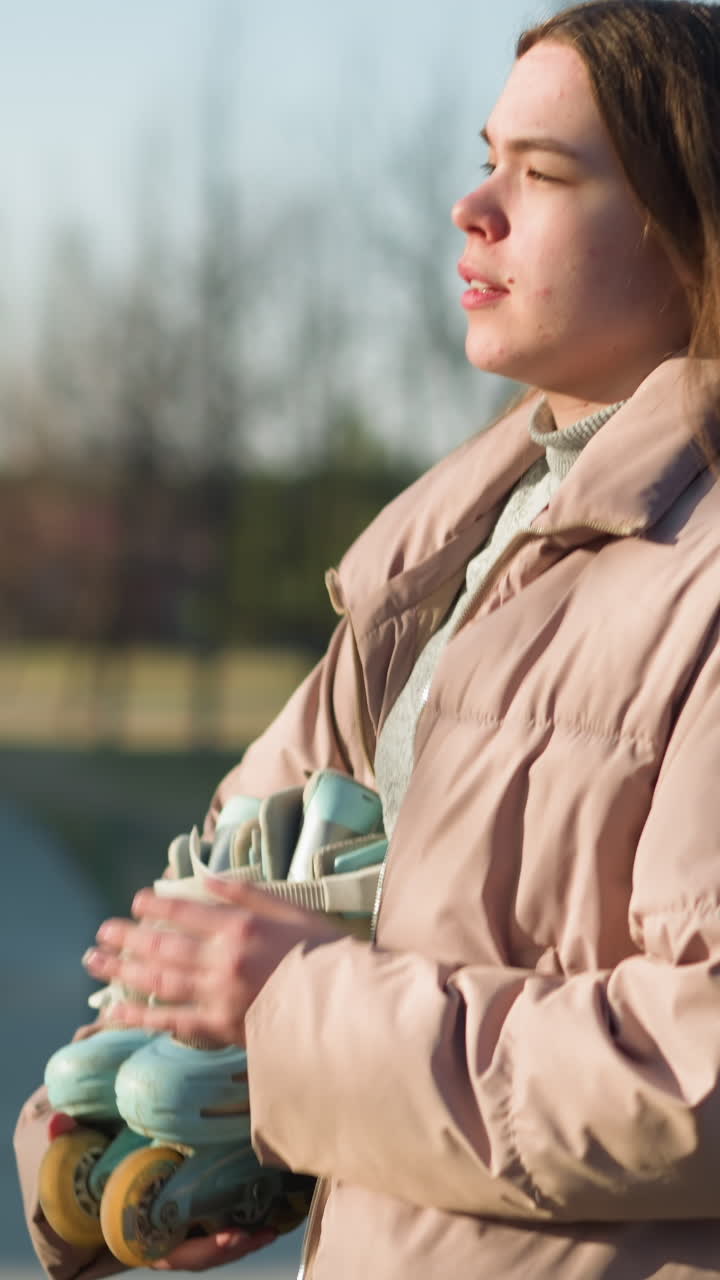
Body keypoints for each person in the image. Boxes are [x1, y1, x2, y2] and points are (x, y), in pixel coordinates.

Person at [16, 1, 720, 1276]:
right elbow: (232, 899)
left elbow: (700, 1071)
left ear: (688, 231)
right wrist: (113, 1143)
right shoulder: (429, 557)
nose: (474, 206)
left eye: (544, 173)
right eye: (487, 154)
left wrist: (297, 1009)